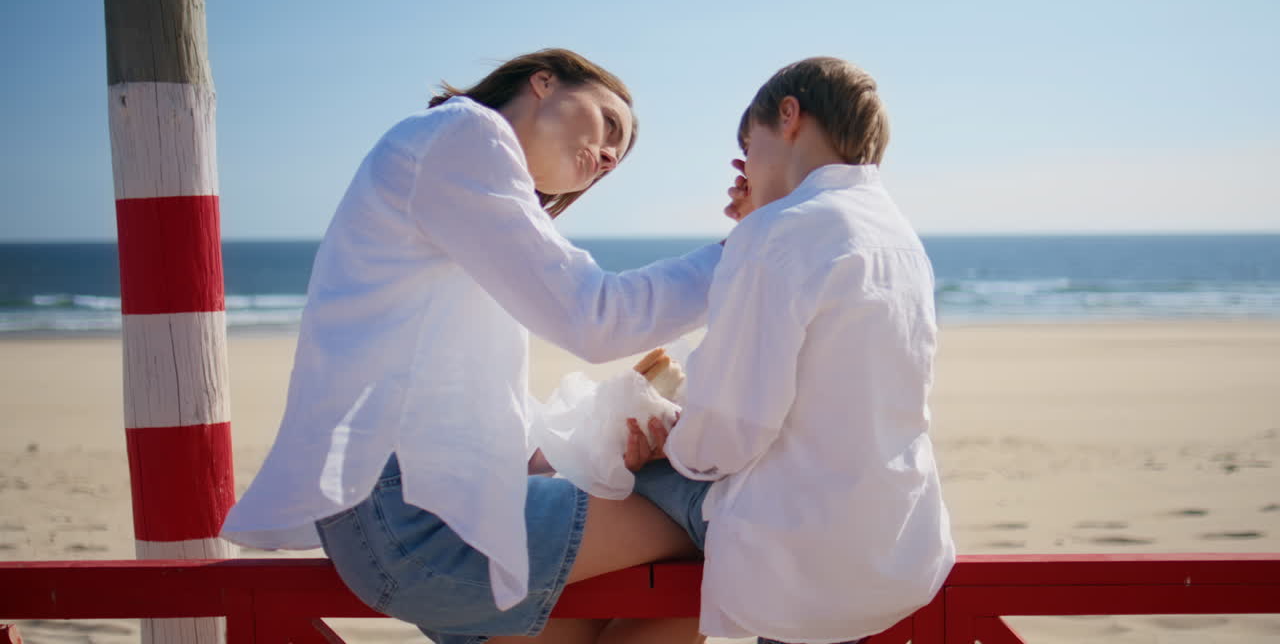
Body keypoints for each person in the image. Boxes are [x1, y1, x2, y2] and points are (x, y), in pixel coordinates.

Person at [221, 48, 719, 644]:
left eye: (617, 159)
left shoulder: (449, 171)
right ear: (544, 80)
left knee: (648, 581)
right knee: (727, 512)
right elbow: (595, 318)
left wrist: (606, 449)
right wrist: (750, 254)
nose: (610, 156)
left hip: (412, 519)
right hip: (421, 522)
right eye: (610, 125)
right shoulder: (466, 132)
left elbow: (472, 410)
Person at [625, 57, 956, 644]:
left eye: (748, 146)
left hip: (797, 549)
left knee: (605, 476)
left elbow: (726, 437)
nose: (747, 166)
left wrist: (669, 444)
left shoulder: (780, 233)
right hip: (895, 541)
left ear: (789, 115)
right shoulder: (899, 235)